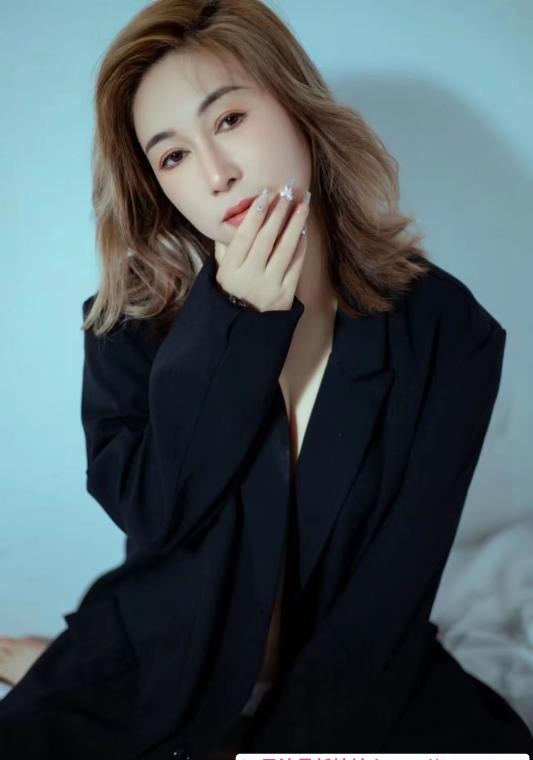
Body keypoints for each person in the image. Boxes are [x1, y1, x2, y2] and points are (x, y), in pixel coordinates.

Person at [1, 0, 532, 757]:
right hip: (164, 667)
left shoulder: (447, 331)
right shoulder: (127, 324)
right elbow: (158, 515)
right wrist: (235, 325)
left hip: (354, 680)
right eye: (173, 157)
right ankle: (69, 668)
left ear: (295, 107)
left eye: (229, 120)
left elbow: (389, 591)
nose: (216, 175)